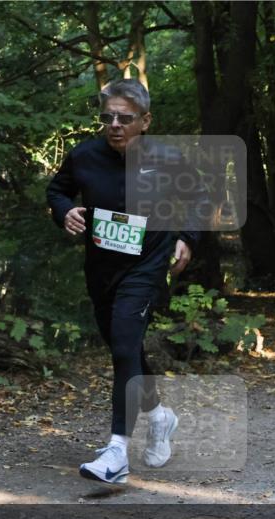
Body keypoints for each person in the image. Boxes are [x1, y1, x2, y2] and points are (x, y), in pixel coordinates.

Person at [46, 80, 205, 484]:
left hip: (147, 266)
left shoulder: (168, 158)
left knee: (122, 345)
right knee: (125, 347)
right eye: (108, 117)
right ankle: (160, 416)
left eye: (125, 118)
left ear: (145, 121)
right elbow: (57, 190)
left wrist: (187, 238)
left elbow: (200, 197)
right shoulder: (84, 155)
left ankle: (117, 451)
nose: (114, 124)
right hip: (102, 268)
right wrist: (64, 212)